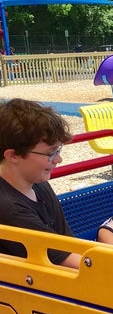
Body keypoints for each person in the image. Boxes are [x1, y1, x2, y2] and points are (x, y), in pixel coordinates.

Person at [0, 98, 81, 269]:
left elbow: (68, 243)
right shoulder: (9, 207)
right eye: (51, 153)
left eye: (58, 150)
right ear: (13, 156)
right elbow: (65, 261)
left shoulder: (38, 184)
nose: (58, 159)